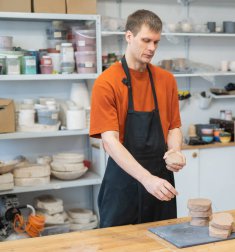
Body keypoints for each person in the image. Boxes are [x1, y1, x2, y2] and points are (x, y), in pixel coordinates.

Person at [90, 9, 186, 228]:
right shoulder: (107, 82)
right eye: (146, 40)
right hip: (123, 187)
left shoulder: (166, 80)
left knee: (164, 242)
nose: (152, 48)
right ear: (129, 36)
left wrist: (175, 151)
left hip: (161, 185)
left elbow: (173, 127)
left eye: (156, 42)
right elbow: (110, 141)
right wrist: (146, 179)